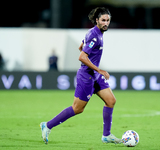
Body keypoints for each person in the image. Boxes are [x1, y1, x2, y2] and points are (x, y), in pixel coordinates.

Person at [40, 7, 122, 145]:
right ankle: (47, 125)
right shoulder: (95, 35)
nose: (106, 23)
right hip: (87, 76)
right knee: (77, 108)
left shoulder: (95, 32)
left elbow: (81, 47)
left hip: (94, 75)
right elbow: (82, 56)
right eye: (103, 20)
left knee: (111, 100)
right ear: (97, 20)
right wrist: (100, 70)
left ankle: (106, 135)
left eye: (108, 20)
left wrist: (95, 69)